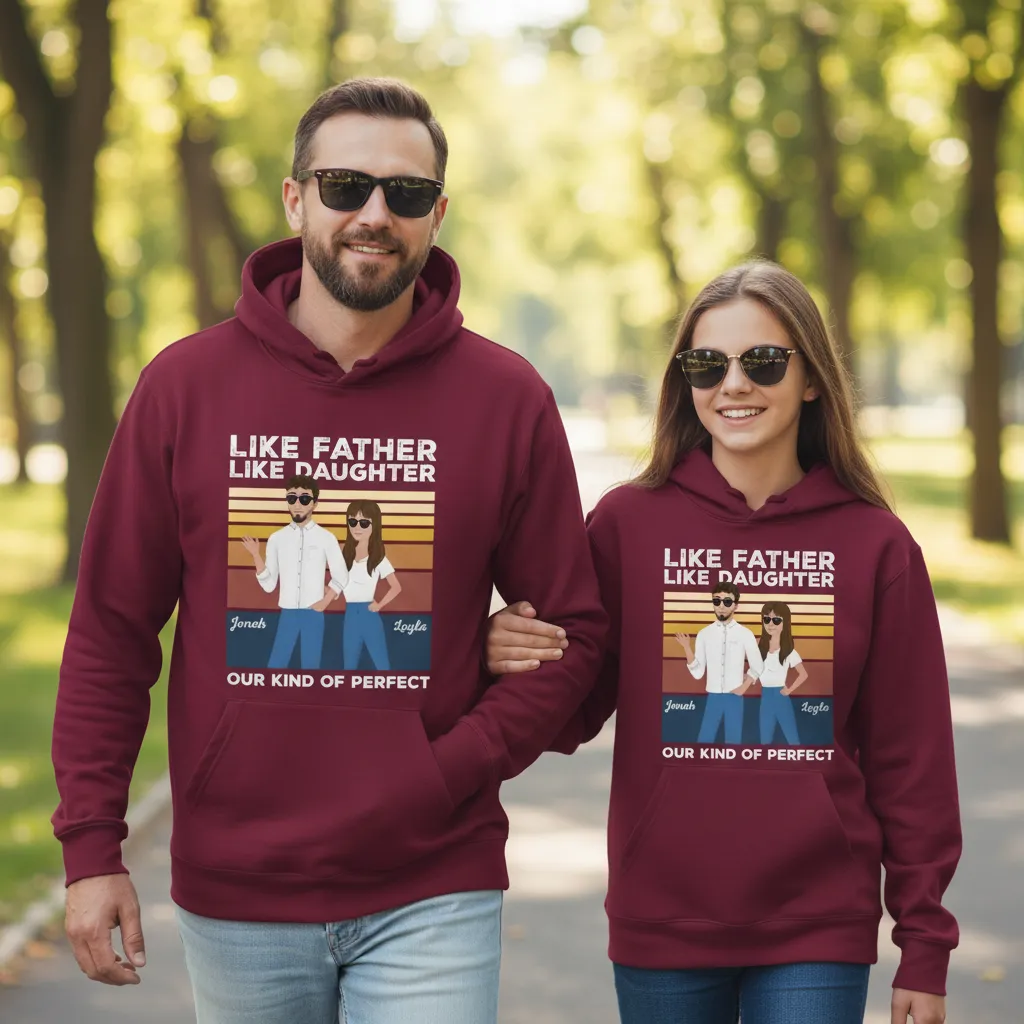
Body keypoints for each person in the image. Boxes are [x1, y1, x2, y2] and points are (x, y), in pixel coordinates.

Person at [52, 77, 606, 1024]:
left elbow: (577, 640)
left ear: (439, 213)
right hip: (240, 884)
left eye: (407, 193)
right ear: (296, 197)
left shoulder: (504, 399)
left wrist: (450, 766)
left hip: (436, 877)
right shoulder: (185, 389)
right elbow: (111, 631)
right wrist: (92, 849)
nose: (374, 215)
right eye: (347, 185)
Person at [487, 262, 959, 1024]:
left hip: (818, 923)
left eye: (763, 362)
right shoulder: (626, 525)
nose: (733, 384)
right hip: (662, 920)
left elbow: (914, 761)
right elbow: (568, 709)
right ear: (686, 382)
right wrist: (498, 649)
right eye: (708, 365)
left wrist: (925, 944)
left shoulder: (875, 545)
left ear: (811, 379)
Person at [240, 475, 347, 670]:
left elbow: (341, 574)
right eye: (292, 498)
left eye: (304, 499)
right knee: (276, 665)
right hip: (287, 614)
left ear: (314, 503)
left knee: (311, 666)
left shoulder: (326, 538)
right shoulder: (276, 539)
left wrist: (324, 602)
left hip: (314, 614)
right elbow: (269, 585)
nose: (297, 504)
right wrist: (256, 555)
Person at [673, 579, 762, 744]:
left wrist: (743, 687)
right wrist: (687, 648)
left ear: (736, 605)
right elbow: (698, 673)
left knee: (733, 743)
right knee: (704, 741)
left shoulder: (745, 634)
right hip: (712, 697)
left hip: (735, 697)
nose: (721, 605)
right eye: (717, 601)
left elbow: (757, 665)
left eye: (727, 601)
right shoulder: (704, 634)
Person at [339, 500, 400, 669]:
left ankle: (388, 695)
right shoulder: (345, 556)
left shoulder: (378, 558)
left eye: (364, 523)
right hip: (350, 615)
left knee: (382, 665)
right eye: (352, 522)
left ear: (375, 526)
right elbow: (336, 586)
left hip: (369, 615)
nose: (357, 527)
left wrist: (379, 605)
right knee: (348, 666)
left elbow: (396, 586)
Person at [754, 601, 807, 745]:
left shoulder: (789, 651)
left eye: (776, 620)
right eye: (766, 619)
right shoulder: (759, 649)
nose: (770, 624)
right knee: (764, 740)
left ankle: (799, 765)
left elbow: (803, 674)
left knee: (793, 739)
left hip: (781, 696)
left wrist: (789, 690)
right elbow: (755, 671)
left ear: (785, 623)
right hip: (765, 698)